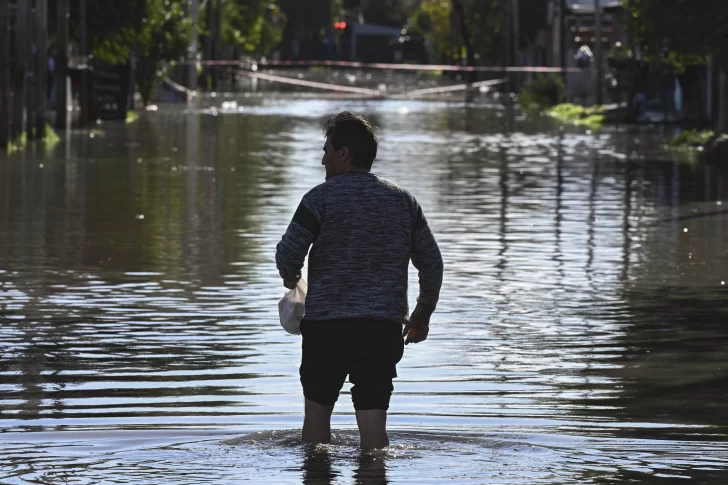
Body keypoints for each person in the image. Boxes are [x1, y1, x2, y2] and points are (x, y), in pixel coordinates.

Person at [275, 112, 444, 450]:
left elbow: (287, 254)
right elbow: (432, 263)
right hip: (380, 329)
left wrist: (292, 277)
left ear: (344, 153)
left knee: (317, 423)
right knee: (374, 432)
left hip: (327, 329)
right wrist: (421, 315)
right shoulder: (403, 202)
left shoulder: (319, 199)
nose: (322, 158)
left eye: (327, 150)